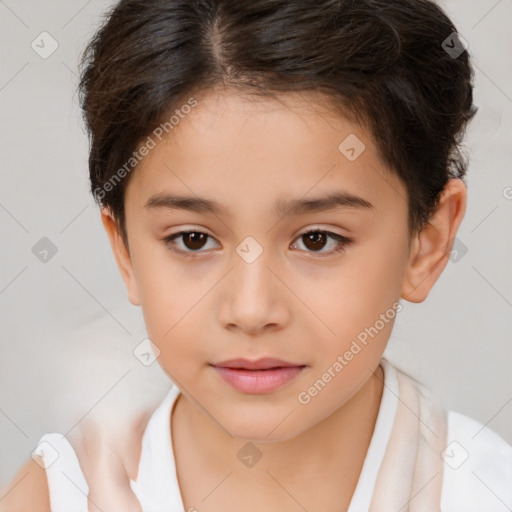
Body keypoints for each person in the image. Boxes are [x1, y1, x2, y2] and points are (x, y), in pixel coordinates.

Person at [1, 0, 511, 511]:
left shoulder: (486, 491)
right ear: (126, 250)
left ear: (427, 241)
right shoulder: (59, 497)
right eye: (193, 240)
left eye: (317, 239)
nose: (250, 310)